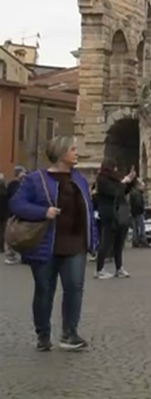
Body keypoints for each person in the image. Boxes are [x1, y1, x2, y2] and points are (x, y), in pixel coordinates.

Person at [9, 136, 97, 351]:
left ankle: (70, 334)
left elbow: (87, 211)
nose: (77, 152)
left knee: (74, 288)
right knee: (44, 290)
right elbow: (16, 204)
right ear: (60, 153)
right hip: (45, 245)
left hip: (75, 242)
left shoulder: (80, 179)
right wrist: (42, 212)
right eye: (73, 149)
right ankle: (43, 334)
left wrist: (92, 239)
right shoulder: (35, 179)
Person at [93, 161, 136, 279]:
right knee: (106, 240)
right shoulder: (102, 180)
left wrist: (130, 181)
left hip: (118, 212)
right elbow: (115, 192)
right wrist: (124, 182)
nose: (116, 170)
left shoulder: (115, 179)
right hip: (108, 212)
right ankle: (99, 269)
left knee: (119, 241)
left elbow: (123, 191)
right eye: (114, 167)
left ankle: (119, 268)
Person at [5, 167, 25, 264]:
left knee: (23, 235)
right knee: (10, 235)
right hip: (12, 213)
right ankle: (10, 255)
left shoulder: (25, 185)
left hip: (22, 214)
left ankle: (24, 255)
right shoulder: (12, 185)